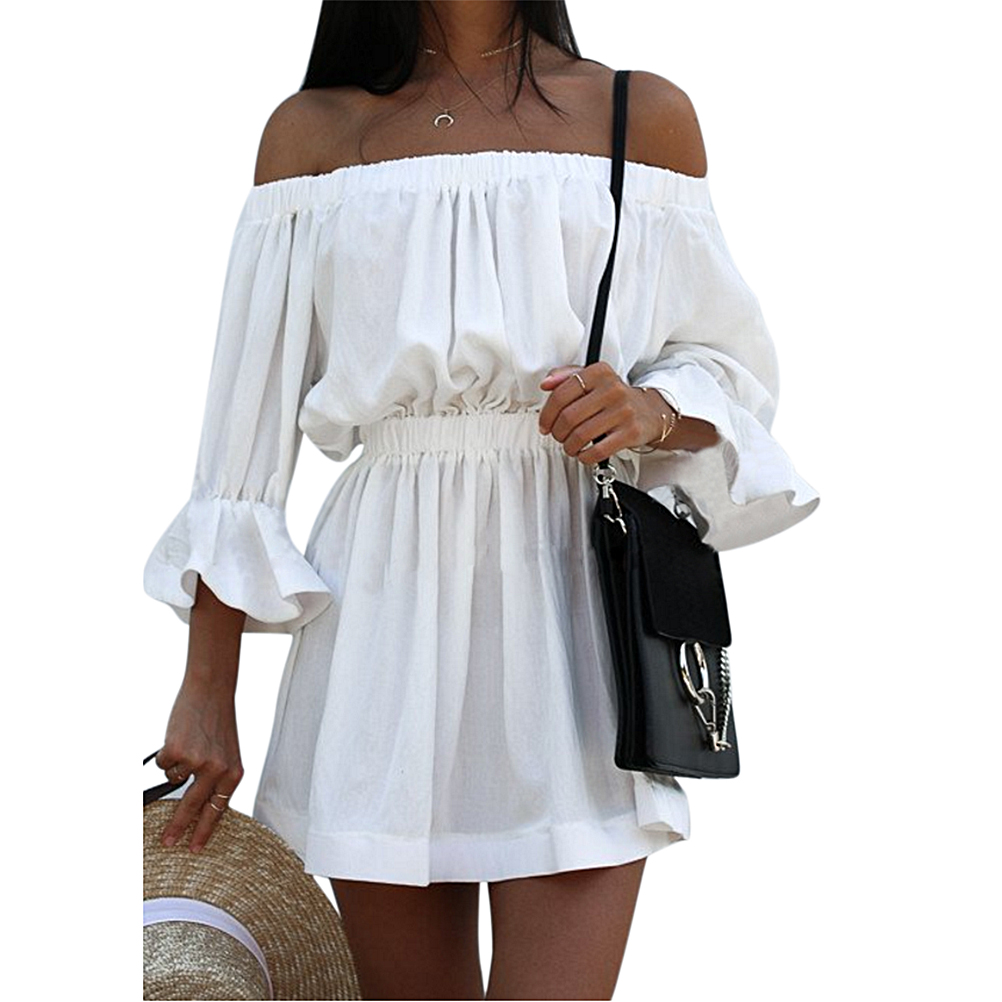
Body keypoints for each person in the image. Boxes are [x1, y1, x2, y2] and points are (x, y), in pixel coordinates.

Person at [144, 2, 819, 998]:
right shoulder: (313, 133)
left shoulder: (640, 116)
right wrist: (208, 689)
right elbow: (238, 451)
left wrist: (648, 408)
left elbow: (729, 369)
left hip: (574, 618)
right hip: (382, 621)